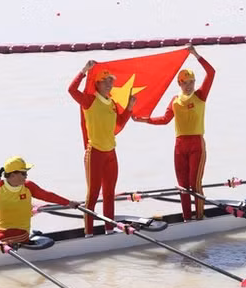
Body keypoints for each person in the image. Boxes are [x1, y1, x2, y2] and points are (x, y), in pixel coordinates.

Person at [133, 45, 215, 221]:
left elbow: (211, 73)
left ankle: (199, 217)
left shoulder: (200, 95)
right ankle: (186, 219)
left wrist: (196, 55)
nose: (188, 85)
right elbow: (164, 119)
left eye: (191, 82)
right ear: (179, 83)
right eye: (185, 82)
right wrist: (144, 119)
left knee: (194, 184)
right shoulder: (175, 100)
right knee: (183, 186)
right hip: (179, 146)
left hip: (196, 144)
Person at [68, 60, 136, 237]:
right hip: (95, 153)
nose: (109, 84)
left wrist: (129, 107)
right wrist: (84, 71)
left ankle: (109, 230)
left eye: (111, 81)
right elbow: (71, 90)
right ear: (97, 83)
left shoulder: (112, 103)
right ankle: (89, 234)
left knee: (109, 194)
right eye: (105, 81)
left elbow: (119, 123)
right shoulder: (89, 101)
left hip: (111, 154)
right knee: (92, 195)